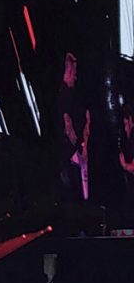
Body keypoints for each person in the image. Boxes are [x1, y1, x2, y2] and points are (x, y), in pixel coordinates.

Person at [59, 52, 90, 200]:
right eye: (74, 73)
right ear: (69, 71)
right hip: (69, 154)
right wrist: (78, 147)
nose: (75, 78)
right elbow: (67, 125)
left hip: (74, 153)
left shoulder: (72, 96)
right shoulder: (64, 96)